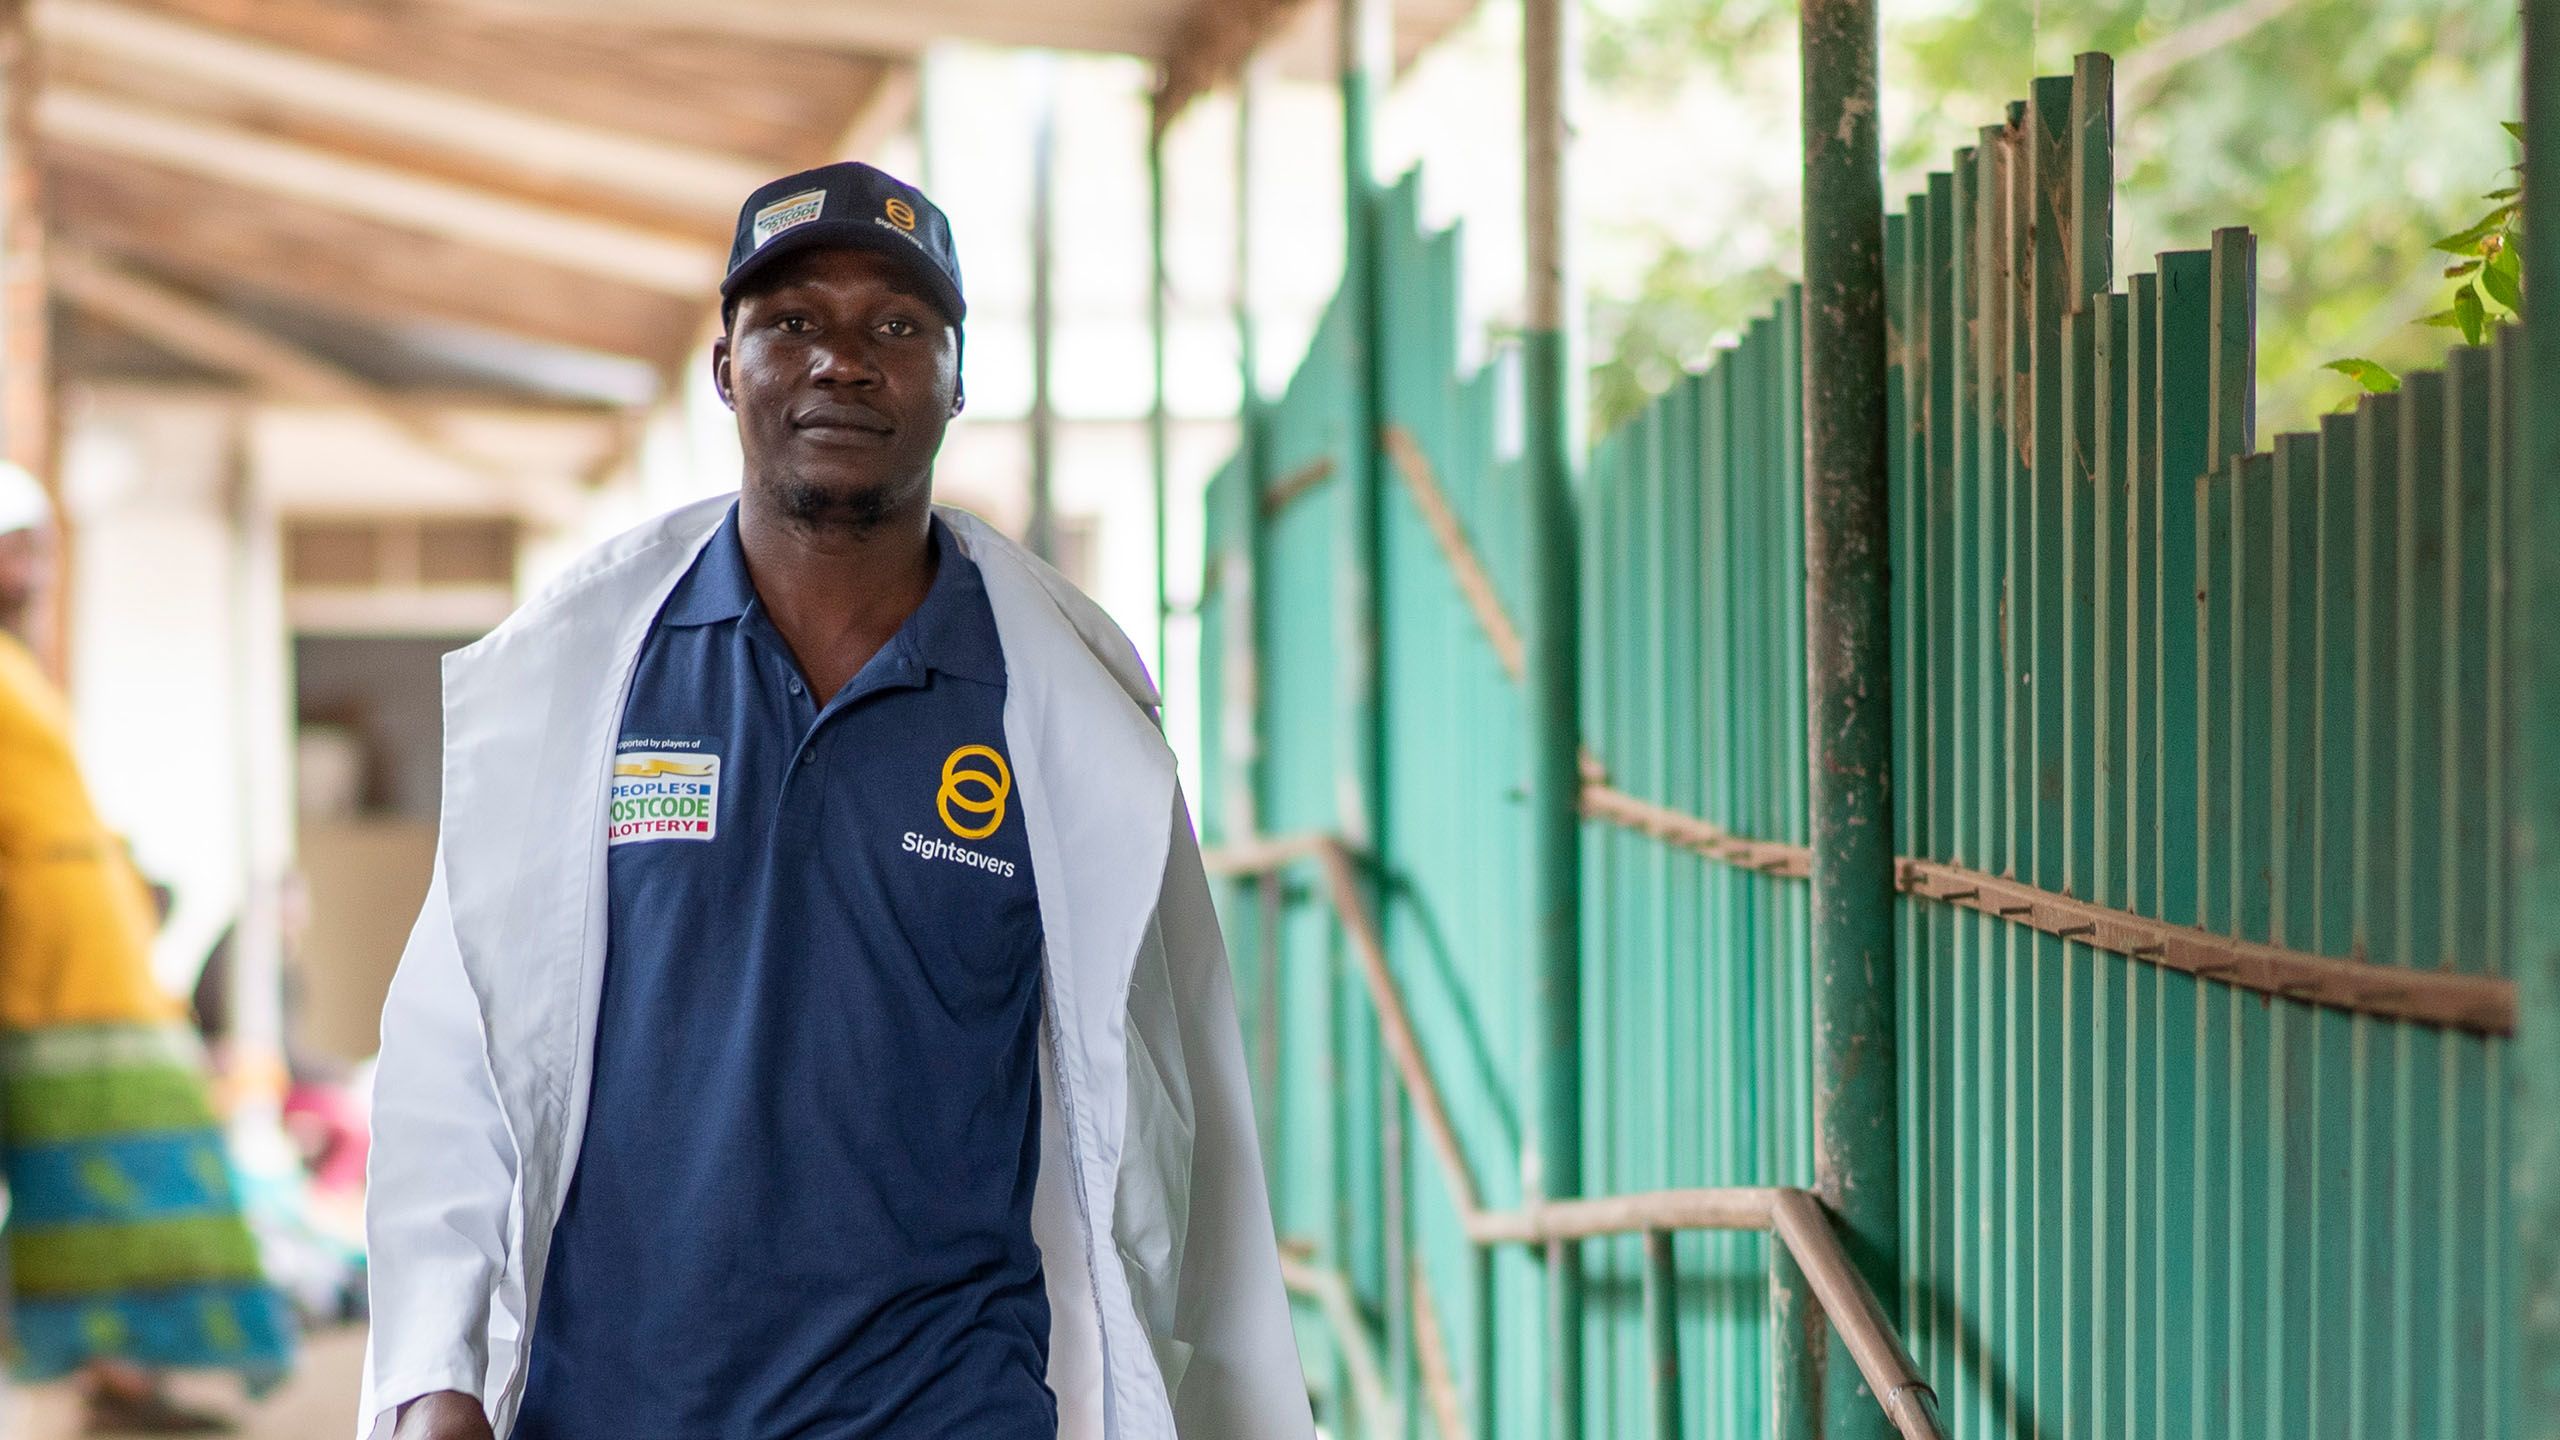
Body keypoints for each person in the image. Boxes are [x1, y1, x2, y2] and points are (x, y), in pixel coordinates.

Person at [363, 163, 1312, 1440]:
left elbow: (1157, 1096)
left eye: (898, 328)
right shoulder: (583, 681)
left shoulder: (1062, 707)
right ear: (725, 367)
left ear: (957, 381)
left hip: (948, 1407)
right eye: (793, 322)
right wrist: (437, 1377)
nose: (843, 362)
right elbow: (461, 1052)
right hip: (614, 1408)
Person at [0, 465, 295, 1431]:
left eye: (37, 550)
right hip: (41, 987)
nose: (32, 570)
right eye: (17, 549)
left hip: (102, 972)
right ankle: (110, 1367)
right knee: (88, 1175)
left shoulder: (21, 675)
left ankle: (125, 1370)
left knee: (139, 1164)